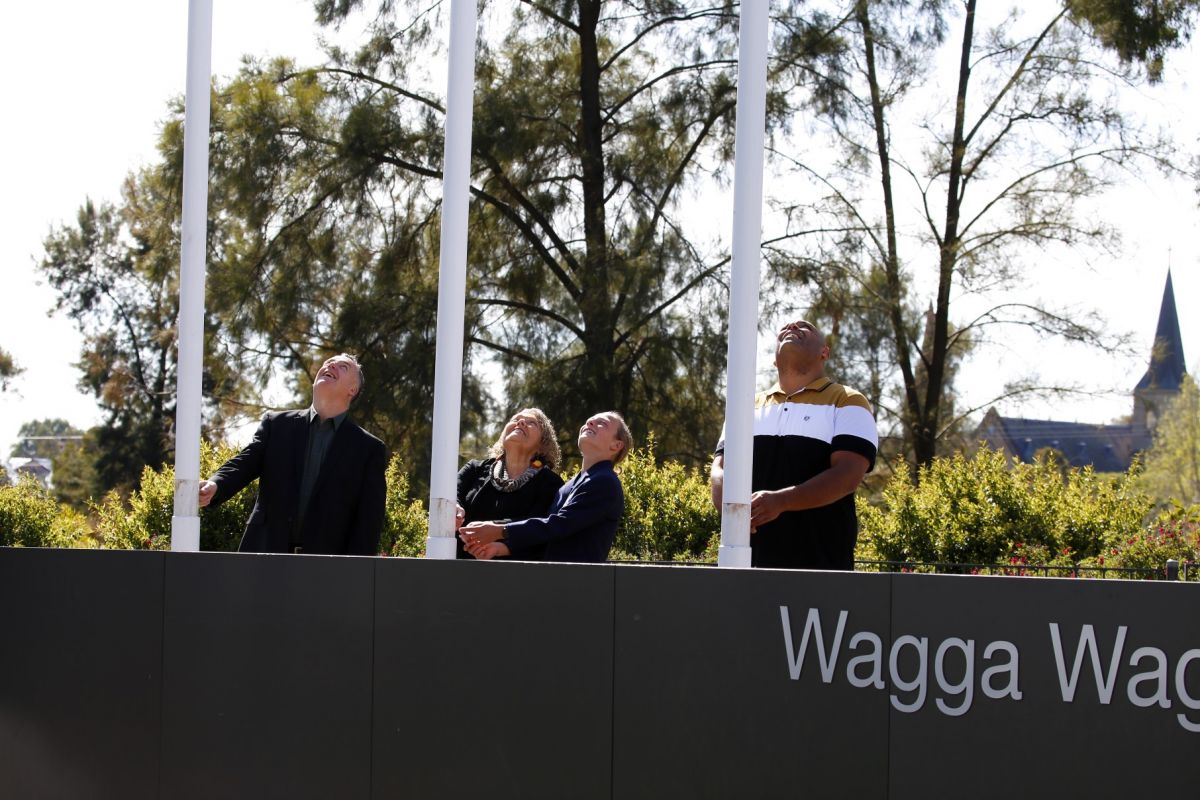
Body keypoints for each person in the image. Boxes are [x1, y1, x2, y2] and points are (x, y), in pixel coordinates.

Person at [710, 320, 877, 570]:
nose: (792, 327)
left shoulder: (849, 400)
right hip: (747, 566)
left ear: (825, 352)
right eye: (784, 329)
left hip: (821, 569)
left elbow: (847, 476)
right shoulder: (745, 406)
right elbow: (719, 468)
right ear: (774, 361)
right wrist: (732, 509)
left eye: (805, 327)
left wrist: (782, 501)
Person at [198, 353, 387, 555]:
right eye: (328, 362)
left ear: (353, 389)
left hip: (326, 571)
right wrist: (216, 484)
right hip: (264, 558)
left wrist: (355, 574)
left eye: (343, 366)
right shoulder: (277, 424)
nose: (331, 365)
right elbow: (247, 461)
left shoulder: (368, 449)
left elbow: (369, 522)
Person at [459, 412, 631, 563]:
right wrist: (499, 548)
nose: (590, 423)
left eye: (603, 423)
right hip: (553, 583)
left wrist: (500, 530)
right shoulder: (570, 485)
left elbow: (558, 525)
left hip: (578, 586)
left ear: (616, 445)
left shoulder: (604, 482)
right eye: (589, 421)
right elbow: (546, 533)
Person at [454, 408, 564, 560]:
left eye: (531, 422)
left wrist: (497, 533)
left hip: (516, 576)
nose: (521, 422)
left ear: (542, 444)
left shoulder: (550, 484)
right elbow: (451, 494)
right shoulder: (474, 469)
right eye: (515, 419)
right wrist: (455, 507)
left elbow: (542, 528)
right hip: (459, 570)